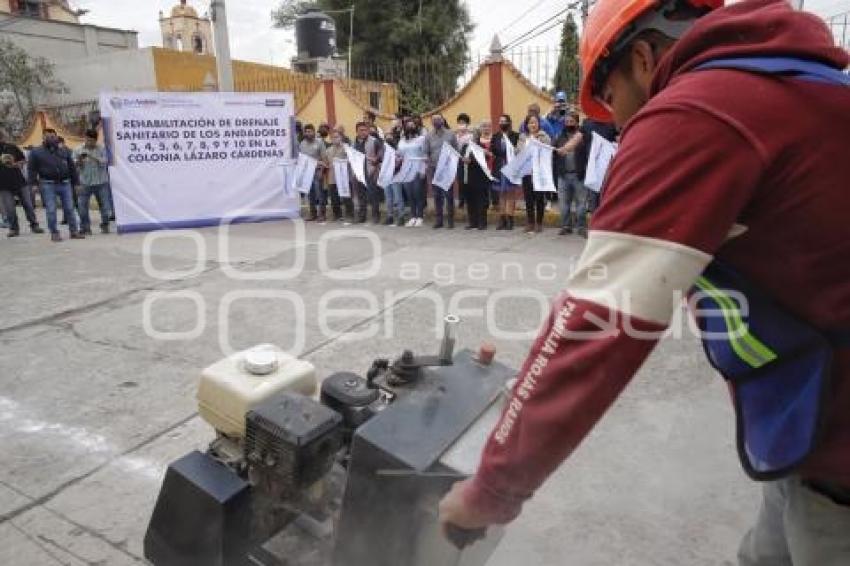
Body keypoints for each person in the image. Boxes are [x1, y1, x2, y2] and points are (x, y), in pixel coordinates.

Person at [439, 3, 850, 566]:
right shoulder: (800, 80)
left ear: (641, 57)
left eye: (609, 100)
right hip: (812, 436)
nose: (616, 123)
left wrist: (491, 489)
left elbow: (596, 320)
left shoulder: (699, 109)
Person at [28, 129, 82, 242]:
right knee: (51, 210)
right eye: (48, 137)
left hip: (65, 183)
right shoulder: (36, 152)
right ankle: (54, 233)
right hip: (48, 184)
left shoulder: (64, 151)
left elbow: (72, 167)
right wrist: (33, 184)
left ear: (57, 137)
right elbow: (32, 169)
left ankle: (74, 231)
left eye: (53, 137)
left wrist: (76, 183)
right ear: (43, 138)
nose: (52, 139)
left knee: (70, 208)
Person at [0, 129, 42, 237]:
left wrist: (17, 164)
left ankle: (34, 225)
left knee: (28, 205)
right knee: (9, 208)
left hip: (19, 181)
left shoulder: (12, 147)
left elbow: (23, 160)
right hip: (3, 185)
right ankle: (14, 229)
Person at [73, 129, 112, 235]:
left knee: (105, 207)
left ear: (95, 140)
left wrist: (91, 156)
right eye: (87, 140)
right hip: (85, 183)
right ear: (85, 138)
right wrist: (80, 161)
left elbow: (105, 162)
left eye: (92, 141)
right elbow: (74, 166)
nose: (89, 142)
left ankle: (105, 225)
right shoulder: (78, 149)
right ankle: (85, 227)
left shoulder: (102, 148)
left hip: (101, 182)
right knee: (82, 207)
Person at [552, 112, 585, 236]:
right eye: (567, 122)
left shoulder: (582, 137)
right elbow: (553, 152)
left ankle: (581, 226)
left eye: (571, 121)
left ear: (577, 123)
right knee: (564, 203)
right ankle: (566, 226)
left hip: (579, 175)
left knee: (581, 203)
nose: (569, 124)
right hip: (563, 175)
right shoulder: (559, 136)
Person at [518, 114, 551, 234]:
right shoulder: (522, 137)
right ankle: (530, 222)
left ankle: (539, 223)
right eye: (530, 123)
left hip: (539, 172)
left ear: (538, 124)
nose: (532, 125)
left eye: (534, 122)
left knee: (539, 198)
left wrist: (537, 140)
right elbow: (518, 151)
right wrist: (528, 144)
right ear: (526, 125)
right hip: (526, 172)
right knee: (528, 198)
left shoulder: (543, 135)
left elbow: (547, 147)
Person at [425, 113, 459, 229]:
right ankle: (439, 220)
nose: (436, 121)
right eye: (434, 120)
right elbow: (426, 151)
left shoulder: (450, 134)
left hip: (447, 169)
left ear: (443, 120)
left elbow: (456, 150)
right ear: (431, 122)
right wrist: (427, 160)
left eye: (438, 119)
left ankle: (450, 220)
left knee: (449, 195)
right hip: (434, 169)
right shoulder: (428, 136)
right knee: (437, 195)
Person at [490, 114, 521, 231]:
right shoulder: (496, 136)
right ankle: (502, 219)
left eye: (504, 121)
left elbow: (518, 150)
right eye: (500, 121)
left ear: (509, 122)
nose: (502, 123)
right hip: (499, 167)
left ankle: (510, 219)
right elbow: (493, 151)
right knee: (501, 194)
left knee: (510, 194)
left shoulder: (515, 136)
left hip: (511, 167)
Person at [463, 119, 494, 231]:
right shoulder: (469, 145)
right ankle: (473, 222)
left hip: (482, 174)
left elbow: (487, 157)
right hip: (470, 174)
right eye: (469, 133)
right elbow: (464, 157)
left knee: (481, 199)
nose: (471, 135)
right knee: (471, 198)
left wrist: (473, 159)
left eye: (473, 133)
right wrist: (465, 159)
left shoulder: (486, 143)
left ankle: (482, 222)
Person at [397, 118, 428, 227]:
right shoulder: (401, 141)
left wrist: (423, 170)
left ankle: (420, 216)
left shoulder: (421, 139)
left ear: (416, 127)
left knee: (417, 193)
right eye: (408, 125)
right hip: (405, 169)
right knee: (409, 194)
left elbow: (425, 155)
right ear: (404, 128)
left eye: (412, 125)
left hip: (417, 167)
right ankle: (412, 216)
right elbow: (399, 155)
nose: (410, 127)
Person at [353, 121, 384, 224]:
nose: (363, 132)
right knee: (361, 196)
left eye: (365, 130)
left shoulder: (375, 141)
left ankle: (376, 217)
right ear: (356, 132)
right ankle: (362, 216)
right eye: (360, 130)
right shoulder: (355, 143)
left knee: (373, 195)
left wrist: (376, 159)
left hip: (371, 171)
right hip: (359, 172)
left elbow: (381, 153)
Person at [323, 129, 355, 224]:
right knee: (334, 198)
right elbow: (326, 163)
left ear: (341, 138)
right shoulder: (328, 150)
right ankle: (337, 215)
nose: (335, 139)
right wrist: (323, 164)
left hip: (344, 178)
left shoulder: (346, 148)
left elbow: (351, 161)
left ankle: (350, 215)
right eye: (333, 137)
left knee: (346, 198)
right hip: (332, 178)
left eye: (337, 137)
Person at [299, 124, 327, 222]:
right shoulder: (302, 143)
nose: (308, 133)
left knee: (319, 194)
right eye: (306, 131)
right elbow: (301, 159)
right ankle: (313, 214)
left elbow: (324, 159)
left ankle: (322, 214)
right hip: (307, 173)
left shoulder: (320, 142)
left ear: (314, 132)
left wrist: (321, 171)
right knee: (310, 194)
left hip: (317, 172)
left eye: (310, 131)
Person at [382, 123, 405, 227]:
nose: (388, 137)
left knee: (398, 197)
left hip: (396, 175)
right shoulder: (382, 149)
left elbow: (401, 160)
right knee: (388, 197)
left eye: (390, 135)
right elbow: (379, 160)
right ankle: (390, 216)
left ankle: (401, 216)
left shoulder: (398, 147)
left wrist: (396, 163)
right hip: (386, 176)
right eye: (386, 135)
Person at [455, 113, 474, 210]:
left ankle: (468, 200)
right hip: (458, 161)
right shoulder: (455, 135)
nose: (461, 124)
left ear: (467, 124)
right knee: (460, 181)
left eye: (463, 122)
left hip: (467, 161)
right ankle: (461, 200)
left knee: (467, 181)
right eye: (459, 122)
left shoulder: (471, 135)